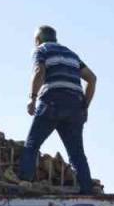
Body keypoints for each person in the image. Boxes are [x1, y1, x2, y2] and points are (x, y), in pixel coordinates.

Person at [17, 25, 98, 194]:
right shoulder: (71, 54)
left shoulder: (41, 50)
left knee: (32, 145)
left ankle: (25, 184)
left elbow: (39, 71)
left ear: (37, 40)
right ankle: (87, 190)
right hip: (75, 106)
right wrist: (85, 107)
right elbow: (92, 78)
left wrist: (32, 98)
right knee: (76, 153)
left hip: (52, 102)